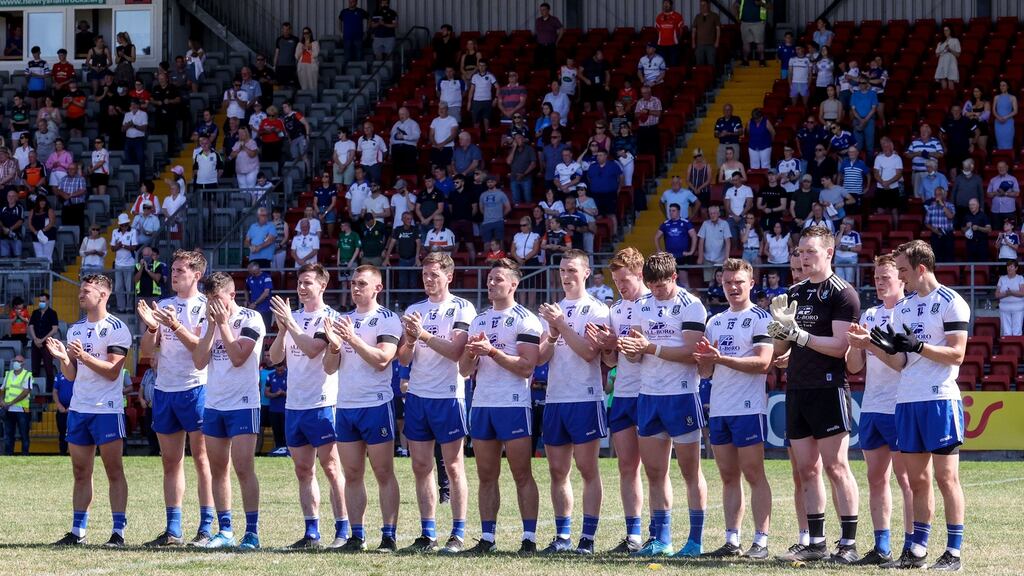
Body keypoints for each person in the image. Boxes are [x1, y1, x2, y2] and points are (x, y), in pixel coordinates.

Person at [853, 240, 969, 571]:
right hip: (906, 400)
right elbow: (901, 362)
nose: (899, 276)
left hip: (939, 399)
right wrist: (872, 345)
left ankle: (953, 552)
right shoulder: (903, 309)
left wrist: (918, 345)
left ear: (920, 269)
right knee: (918, 481)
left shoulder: (951, 302)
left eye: (903, 269)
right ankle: (917, 550)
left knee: (947, 478)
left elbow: (957, 354)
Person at [769, 226, 861, 564]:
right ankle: (816, 542)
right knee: (807, 469)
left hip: (828, 387)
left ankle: (848, 545)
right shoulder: (795, 291)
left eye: (811, 251)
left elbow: (840, 347)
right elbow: (782, 346)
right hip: (797, 387)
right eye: (801, 251)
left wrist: (800, 335)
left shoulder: (843, 293)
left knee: (837, 467)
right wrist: (779, 329)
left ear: (829, 253)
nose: (804, 257)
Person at [616, 252, 708, 558]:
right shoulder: (641, 306)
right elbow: (636, 353)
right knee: (655, 472)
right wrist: (628, 349)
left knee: (690, 472)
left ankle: (695, 541)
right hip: (649, 395)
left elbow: (692, 351)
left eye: (661, 285)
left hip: (681, 396)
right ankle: (662, 539)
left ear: (673, 277)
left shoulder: (691, 304)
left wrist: (650, 347)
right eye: (651, 285)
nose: (656, 291)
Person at [394, 253, 477, 553]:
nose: (428, 280)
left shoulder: (462, 307)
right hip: (418, 395)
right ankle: (427, 534)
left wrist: (423, 334)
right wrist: (412, 340)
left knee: (454, 466)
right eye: (425, 275)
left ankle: (457, 533)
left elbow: (456, 351)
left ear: (449, 277)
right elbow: (403, 357)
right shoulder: (415, 309)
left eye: (434, 275)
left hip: (448, 396)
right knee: (420, 465)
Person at [459, 258, 542, 553]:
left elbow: (526, 367)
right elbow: (465, 370)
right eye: (490, 279)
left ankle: (529, 539)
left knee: (521, 473)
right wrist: (470, 353)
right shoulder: (479, 320)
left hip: (513, 403)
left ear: (514, 284)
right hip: (483, 404)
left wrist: (492, 351)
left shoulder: (525, 319)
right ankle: (487, 538)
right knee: (486, 475)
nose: (492, 284)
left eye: (498, 279)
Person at [694, 258, 774, 559]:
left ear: (751, 283)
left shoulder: (760, 318)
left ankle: (761, 541)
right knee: (727, 476)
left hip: (748, 407)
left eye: (738, 282)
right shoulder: (714, 321)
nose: (733, 287)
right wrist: (703, 360)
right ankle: (732, 539)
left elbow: (763, 363)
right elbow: (705, 373)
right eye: (727, 282)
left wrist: (720, 359)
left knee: (754, 474)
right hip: (720, 408)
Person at [320, 265, 401, 552]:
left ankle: (388, 536)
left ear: (377, 288)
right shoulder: (343, 319)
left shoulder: (387, 319)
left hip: (376, 404)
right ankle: (357, 536)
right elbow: (330, 369)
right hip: (346, 406)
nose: (356, 288)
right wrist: (333, 346)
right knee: (352, 473)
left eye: (362, 284)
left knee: (382, 471)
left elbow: (382, 359)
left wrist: (351, 338)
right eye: (353, 283)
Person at [267, 264, 348, 549]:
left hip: (323, 403)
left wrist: (289, 324)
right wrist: (281, 331)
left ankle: (343, 529)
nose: (302, 287)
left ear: (322, 286)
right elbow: (275, 358)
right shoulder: (294, 317)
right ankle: (312, 532)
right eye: (299, 282)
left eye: (308, 283)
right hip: (295, 404)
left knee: (331, 467)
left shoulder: (331, 318)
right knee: (303, 469)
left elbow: (314, 350)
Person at [534, 250, 610, 554]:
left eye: (573, 270)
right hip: (556, 398)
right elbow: (540, 357)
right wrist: (552, 335)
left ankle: (587, 538)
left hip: (585, 397)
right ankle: (563, 536)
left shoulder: (597, 310)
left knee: (587, 468)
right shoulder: (553, 310)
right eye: (563, 270)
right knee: (557, 470)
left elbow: (591, 353)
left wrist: (562, 326)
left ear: (587, 273)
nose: (567, 276)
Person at [138, 250, 215, 547]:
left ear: (197, 274)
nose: (174, 274)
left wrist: (174, 326)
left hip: (197, 388)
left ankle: (206, 528)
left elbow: (200, 350)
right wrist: (154, 327)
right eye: (173, 269)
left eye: (181, 270)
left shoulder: (206, 306)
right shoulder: (165, 305)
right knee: (170, 463)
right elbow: (146, 350)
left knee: (203, 461)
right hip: (165, 390)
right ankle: (173, 529)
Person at [843, 254, 916, 565]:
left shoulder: (910, 313)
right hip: (872, 405)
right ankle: (881, 546)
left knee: (907, 479)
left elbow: (904, 365)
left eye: (887, 276)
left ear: (901, 279)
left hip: (901, 404)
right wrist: (855, 345)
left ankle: (912, 545)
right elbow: (854, 367)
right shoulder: (870, 315)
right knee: (876, 478)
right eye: (877, 277)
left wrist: (871, 344)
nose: (881, 281)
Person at [48, 275, 131, 547]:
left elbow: (112, 372)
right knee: (81, 471)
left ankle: (118, 532)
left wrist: (83, 356)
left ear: (103, 295)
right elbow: (72, 375)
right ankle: (78, 531)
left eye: (86, 291)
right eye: (81, 291)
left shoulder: (117, 328)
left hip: (106, 410)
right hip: (80, 409)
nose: (81, 295)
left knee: (113, 470)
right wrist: (63, 359)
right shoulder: (75, 329)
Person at [580, 248, 649, 553]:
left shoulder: (653, 304)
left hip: (651, 391)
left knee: (655, 467)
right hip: (622, 392)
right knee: (626, 464)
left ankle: (658, 533)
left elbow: (640, 349)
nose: (620, 285)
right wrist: (605, 346)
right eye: (616, 280)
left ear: (640, 274)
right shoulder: (616, 309)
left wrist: (615, 343)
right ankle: (633, 534)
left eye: (625, 279)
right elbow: (610, 360)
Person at [190, 273, 265, 550]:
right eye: (209, 301)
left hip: (244, 403)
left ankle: (252, 532)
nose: (213, 306)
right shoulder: (206, 320)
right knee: (218, 469)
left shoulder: (250, 319)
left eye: (218, 299)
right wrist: (210, 328)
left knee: (244, 467)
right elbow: (198, 362)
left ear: (231, 295)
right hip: (215, 403)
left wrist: (222, 325)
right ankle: (225, 530)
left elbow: (237, 357)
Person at [1, 354, 31, 456]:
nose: (16, 363)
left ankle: (25, 455)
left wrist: (10, 402)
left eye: (19, 361)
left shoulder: (27, 375)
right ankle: (9, 455)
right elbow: (2, 389)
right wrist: (1, 400)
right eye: (15, 361)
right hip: (8, 410)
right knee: (8, 435)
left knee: (24, 435)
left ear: (23, 364)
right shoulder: (8, 374)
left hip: (22, 410)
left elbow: (25, 392)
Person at [28, 292, 58, 392]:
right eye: (40, 301)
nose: (41, 303)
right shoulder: (35, 313)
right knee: (35, 368)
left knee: (49, 369)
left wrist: (43, 339)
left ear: (48, 301)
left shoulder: (52, 313)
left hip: (47, 343)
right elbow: (31, 326)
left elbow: (54, 329)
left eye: (43, 301)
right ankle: (34, 393)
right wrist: (35, 339)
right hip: (35, 343)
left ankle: (50, 393)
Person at [905, 123, 944, 199]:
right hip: (916, 173)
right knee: (917, 196)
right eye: (922, 131)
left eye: (925, 131)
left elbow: (941, 154)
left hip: (930, 173)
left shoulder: (935, 142)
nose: (923, 132)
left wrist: (928, 154)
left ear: (929, 132)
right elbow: (907, 155)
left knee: (930, 195)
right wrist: (917, 153)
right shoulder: (914, 142)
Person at [697, 205, 731, 283]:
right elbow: (701, 241)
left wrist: (727, 258)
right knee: (709, 281)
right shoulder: (705, 224)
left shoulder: (724, 224)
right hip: (707, 258)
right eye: (711, 213)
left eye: (714, 213)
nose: (712, 215)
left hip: (720, 258)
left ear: (719, 214)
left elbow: (728, 242)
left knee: (720, 281)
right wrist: (700, 256)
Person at [925, 187, 956, 263]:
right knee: (936, 257)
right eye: (936, 195)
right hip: (935, 235)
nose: (937, 196)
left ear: (944, 195)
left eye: (939, 194)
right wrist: (934, 230)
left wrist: (942, 205)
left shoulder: (950, 205)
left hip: (947, 234)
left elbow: (951, 216)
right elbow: (927, 222)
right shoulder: (931, 207)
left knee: (949, 257)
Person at [734, 0, 768, 66]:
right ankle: (745, 61)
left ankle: (762, 61)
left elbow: (770, 6)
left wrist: (761, 3)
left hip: (759, 22)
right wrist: (736, 17)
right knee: (746, 45)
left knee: (760, 44)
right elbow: (735, 5)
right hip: (745, 23)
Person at [389, 107, 421, 176]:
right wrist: (390, 152)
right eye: (400, 114)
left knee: (409, 171)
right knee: (397, 172)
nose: (401, 116)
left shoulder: (413, 124)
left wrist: (404, 137)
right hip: (396, 150)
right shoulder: (396, 124)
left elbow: (416, 136)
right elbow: (391, 139)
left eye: (403, 114)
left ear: (408, 114)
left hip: (408, 149)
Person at [264, 361, 287, 453]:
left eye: (281, 370)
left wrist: (283, 393)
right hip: (274, 409)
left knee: (286, 431)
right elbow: (266, 393)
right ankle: (278, 450)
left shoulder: (290, 374)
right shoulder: (270, 375)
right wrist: (275, 394)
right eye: (278, 370)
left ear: (284, 367)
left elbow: (295, 393)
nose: (280, 372)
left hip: (286, 409)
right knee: (276, 431)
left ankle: (287, 451)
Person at [996, 261, 1024, 336]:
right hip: (1004, 307)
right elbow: (997, 294)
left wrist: (1011, 292)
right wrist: (1006, 294)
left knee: (1017, 331)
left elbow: (1022, 293)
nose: (1009, 268)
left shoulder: (1020, 278)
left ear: (1016, 268)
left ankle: (1017, 347)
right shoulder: (1002, 278)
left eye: (1011, 266)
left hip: (1018, 307)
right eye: (1008, 266)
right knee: (1006, 331)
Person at [245, 261, 274, 331]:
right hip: (253, 308)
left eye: (253, 272)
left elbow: (266, 293)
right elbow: (245, 289)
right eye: (251, 272)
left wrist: (255, 303)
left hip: (265, 308)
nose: (252, 274)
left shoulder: (266, 277)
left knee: (265, 329)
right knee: (253, 328)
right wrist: (247, 300)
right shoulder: (249, 278)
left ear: (258, 269)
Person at [534, 3, 563, 72]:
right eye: (541, 10)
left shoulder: (554, 19)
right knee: (538, 64)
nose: (542, 12)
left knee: (552, 65)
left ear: (548, 10)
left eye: (543, 10)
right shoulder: (538, 20)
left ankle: (551, 81)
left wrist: (557, 41)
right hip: (540, 45)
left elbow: (561, 30)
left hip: (550, 45)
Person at [338, 0, 369, 67]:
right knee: (347, 57)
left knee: (359, 56)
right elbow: (339, 20)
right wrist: (340, 32)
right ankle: (347, 74)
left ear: (356, 2)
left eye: (353, 1)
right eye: (350, 1)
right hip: (347, 38)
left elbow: (369, 18)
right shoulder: (344, 12)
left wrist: (367, 31)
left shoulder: (361, 11)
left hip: (358, 37)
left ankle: (359, 74)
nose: (351, 2)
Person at [691, 0, 721, 67]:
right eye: (701, 5)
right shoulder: (697, 17)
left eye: (704, 5)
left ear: (708, 5)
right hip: (699, 45)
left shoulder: (714, 16)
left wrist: (717, 41)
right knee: (699, 64)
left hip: (711, 45)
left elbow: (718, 30)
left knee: (711, 64)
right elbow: (694, 30)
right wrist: (693, 42)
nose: (702, 7)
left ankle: (712, 77)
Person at [52, 369, 74, 456]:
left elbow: (80, 392)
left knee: (74, 432)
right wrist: (59, 405)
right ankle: (63, 453)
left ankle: (74, 453)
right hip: (61, 409)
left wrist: (72, 406)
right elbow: (54, 392)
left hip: (74, 409)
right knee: (62, 433)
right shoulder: (58, 376)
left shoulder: (77, 375)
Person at [833, 218, 862, 284]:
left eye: (846, 224)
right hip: (838, 259)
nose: (844, 226)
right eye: (843, 224)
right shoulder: (838, 233)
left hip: (850, 259)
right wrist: (841, 232)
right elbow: (835, 245)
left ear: (850, 226)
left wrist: (848, 249)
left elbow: (859, 248)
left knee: (849, 281)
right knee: (839, 281)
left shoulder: (855, 234)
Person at [993, 79, 1018, 151]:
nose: (1001, 87)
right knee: (999, 143)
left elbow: (1015, 111)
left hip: (1008, 122)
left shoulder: (1012, 97)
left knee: (1008, 143)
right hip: (998, 122)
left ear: (1008, 87)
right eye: (1000, 85)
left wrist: (1005, 117)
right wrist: (998, 117)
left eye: (1004, 85)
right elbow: (994, 110)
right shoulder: (996, 97)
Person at [934, 26, 961, 92]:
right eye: (944, 30)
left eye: (947, 30)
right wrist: (943, 50)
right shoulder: (940, 43)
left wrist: (950, 49)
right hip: (942, 62)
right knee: (943, 79)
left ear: (950, 31)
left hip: (951, 62)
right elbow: (937, 54)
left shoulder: (955, 40)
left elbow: (958, 54)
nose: (945, 32)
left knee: (950, 79)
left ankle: (951, 97)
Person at [0, 187, 23, 257]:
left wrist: (10, 230)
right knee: (5, 259)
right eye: (9, 196)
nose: (11, 198)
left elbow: (20, 221)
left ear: (16, 197)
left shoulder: (19, 207)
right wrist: (4, 228)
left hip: (16, 237)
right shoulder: (3, 207)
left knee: (17, 258)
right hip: (3, 237)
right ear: (7, 197)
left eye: (13, 196)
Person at [295, 27, 320, 92]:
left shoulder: (315, 43)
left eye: (307, 33)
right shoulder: (300, 44)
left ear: (310, 34)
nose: (305, 35)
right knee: (304, 85)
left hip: (311, 66)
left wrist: (309, 48)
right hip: (302, 66)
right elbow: (297, 56)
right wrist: (302, 50)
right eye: (304, 33)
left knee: (312, 85)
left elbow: (316, 54)